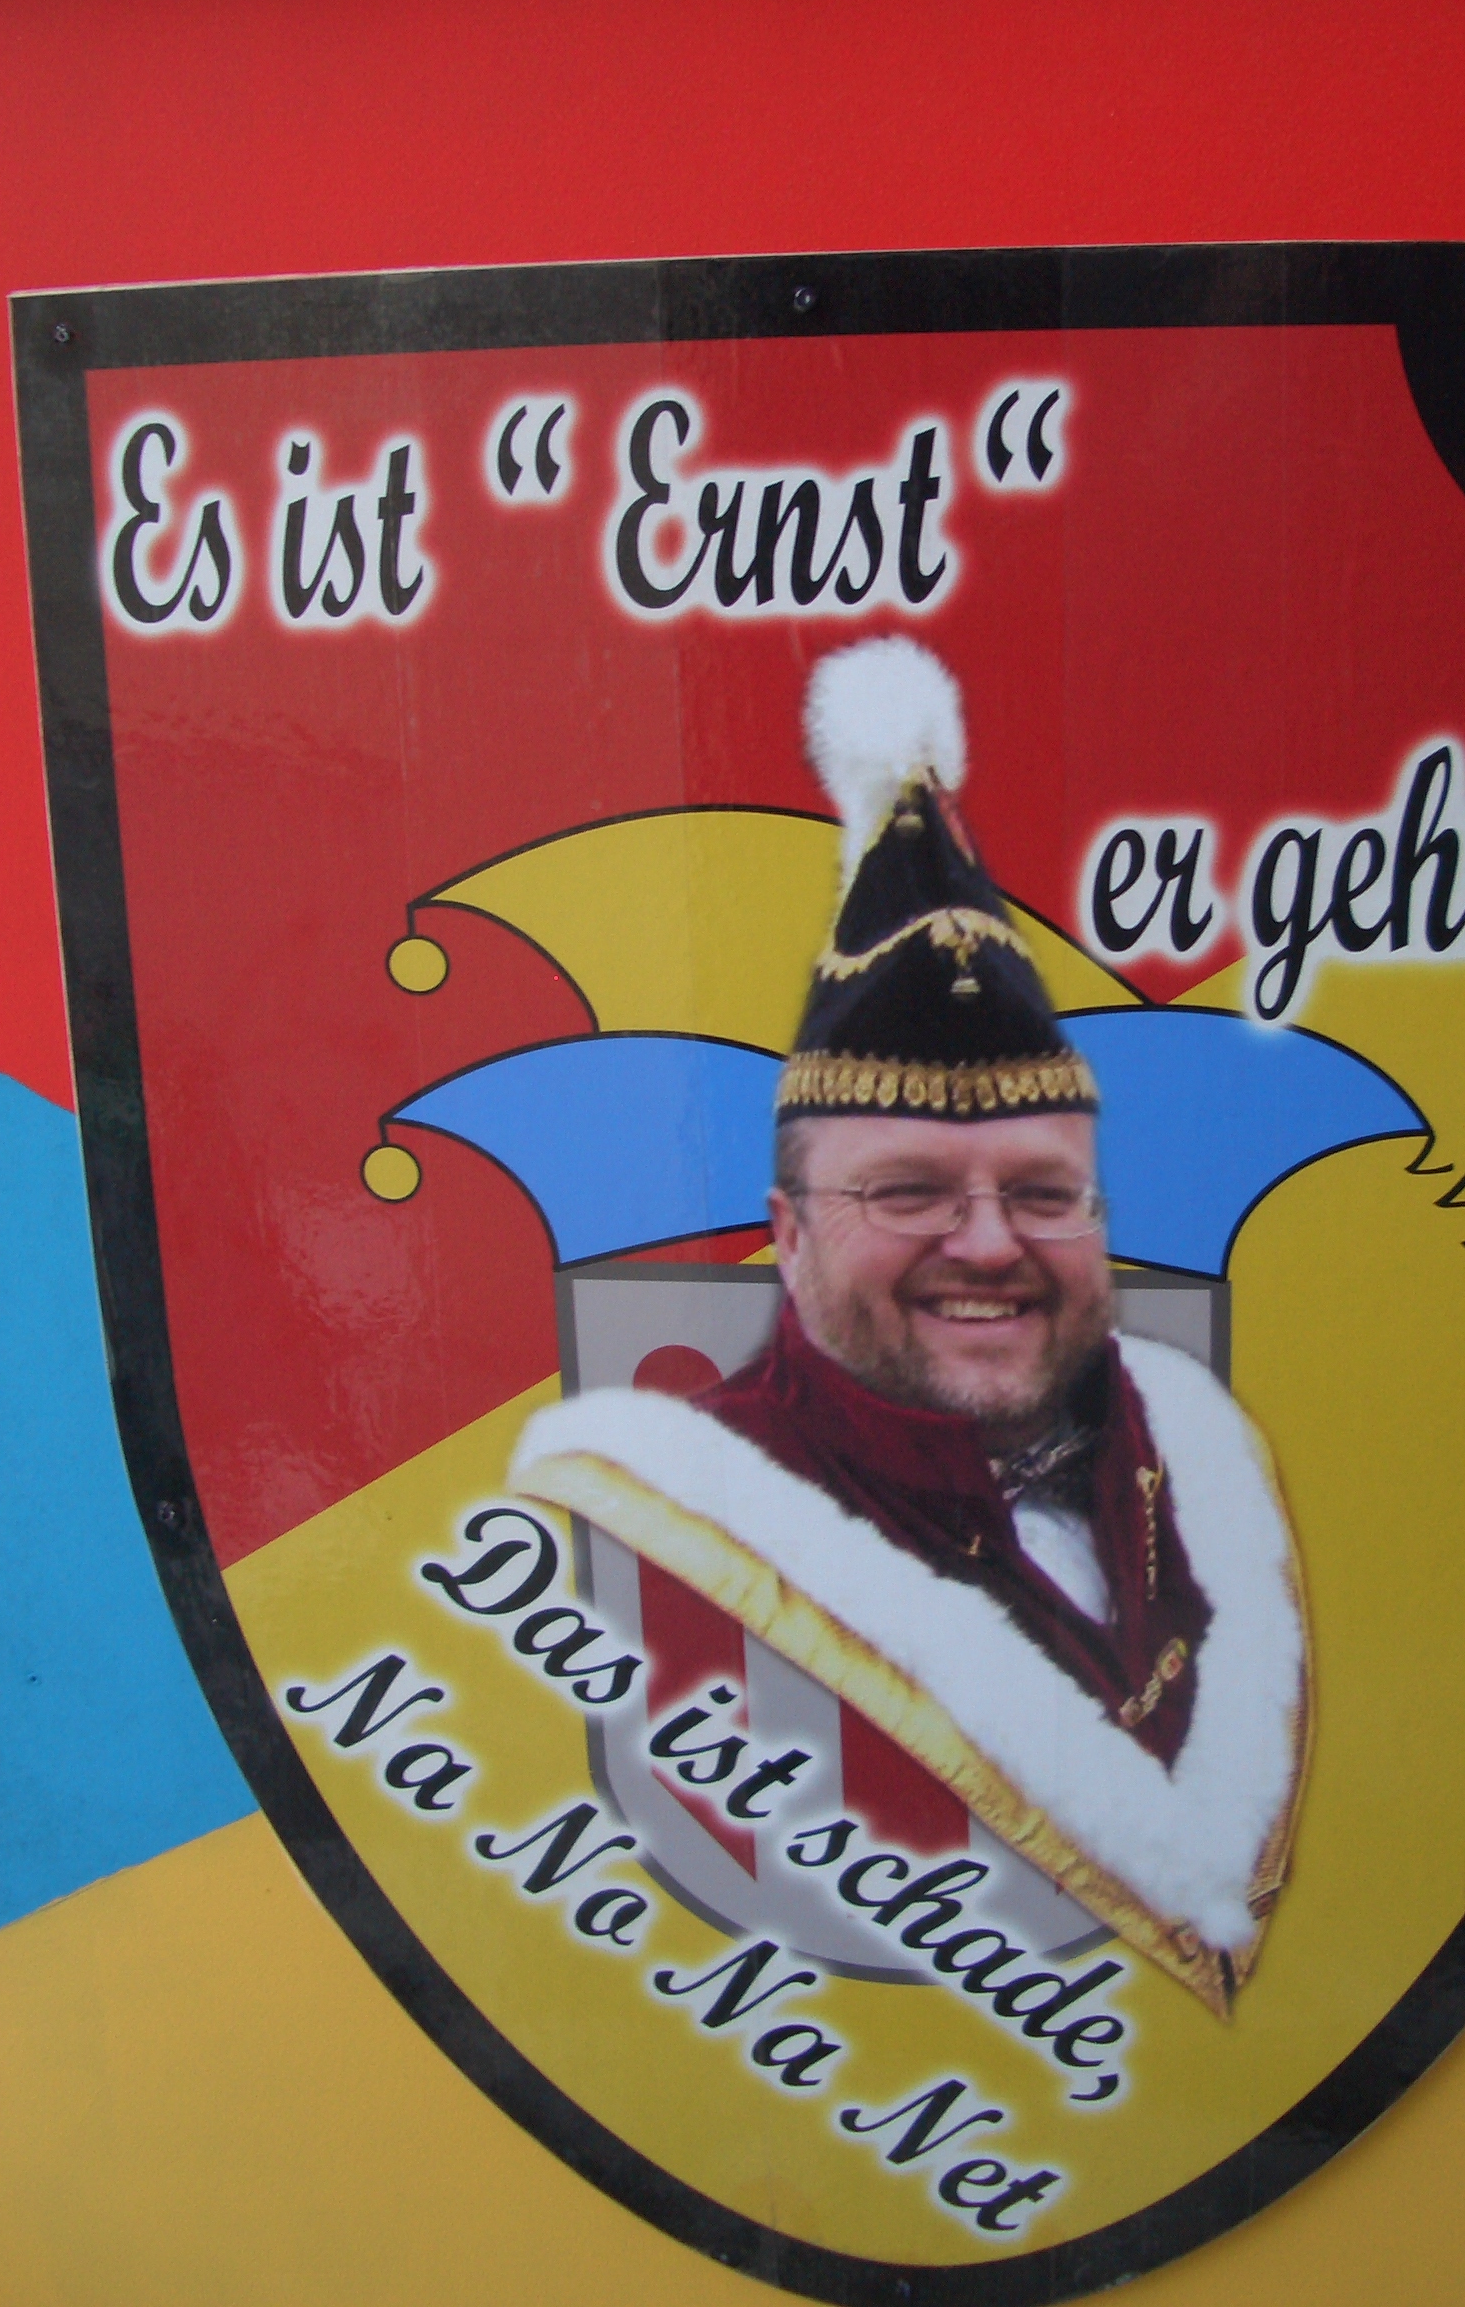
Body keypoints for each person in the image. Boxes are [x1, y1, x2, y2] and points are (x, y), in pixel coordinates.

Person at [514, 638, 1308, 2012]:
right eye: (909, 1191)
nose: (991, 1243)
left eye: (1043, 1193)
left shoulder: (1195, 1458)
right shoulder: (684, 1514)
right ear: (787, 1235)